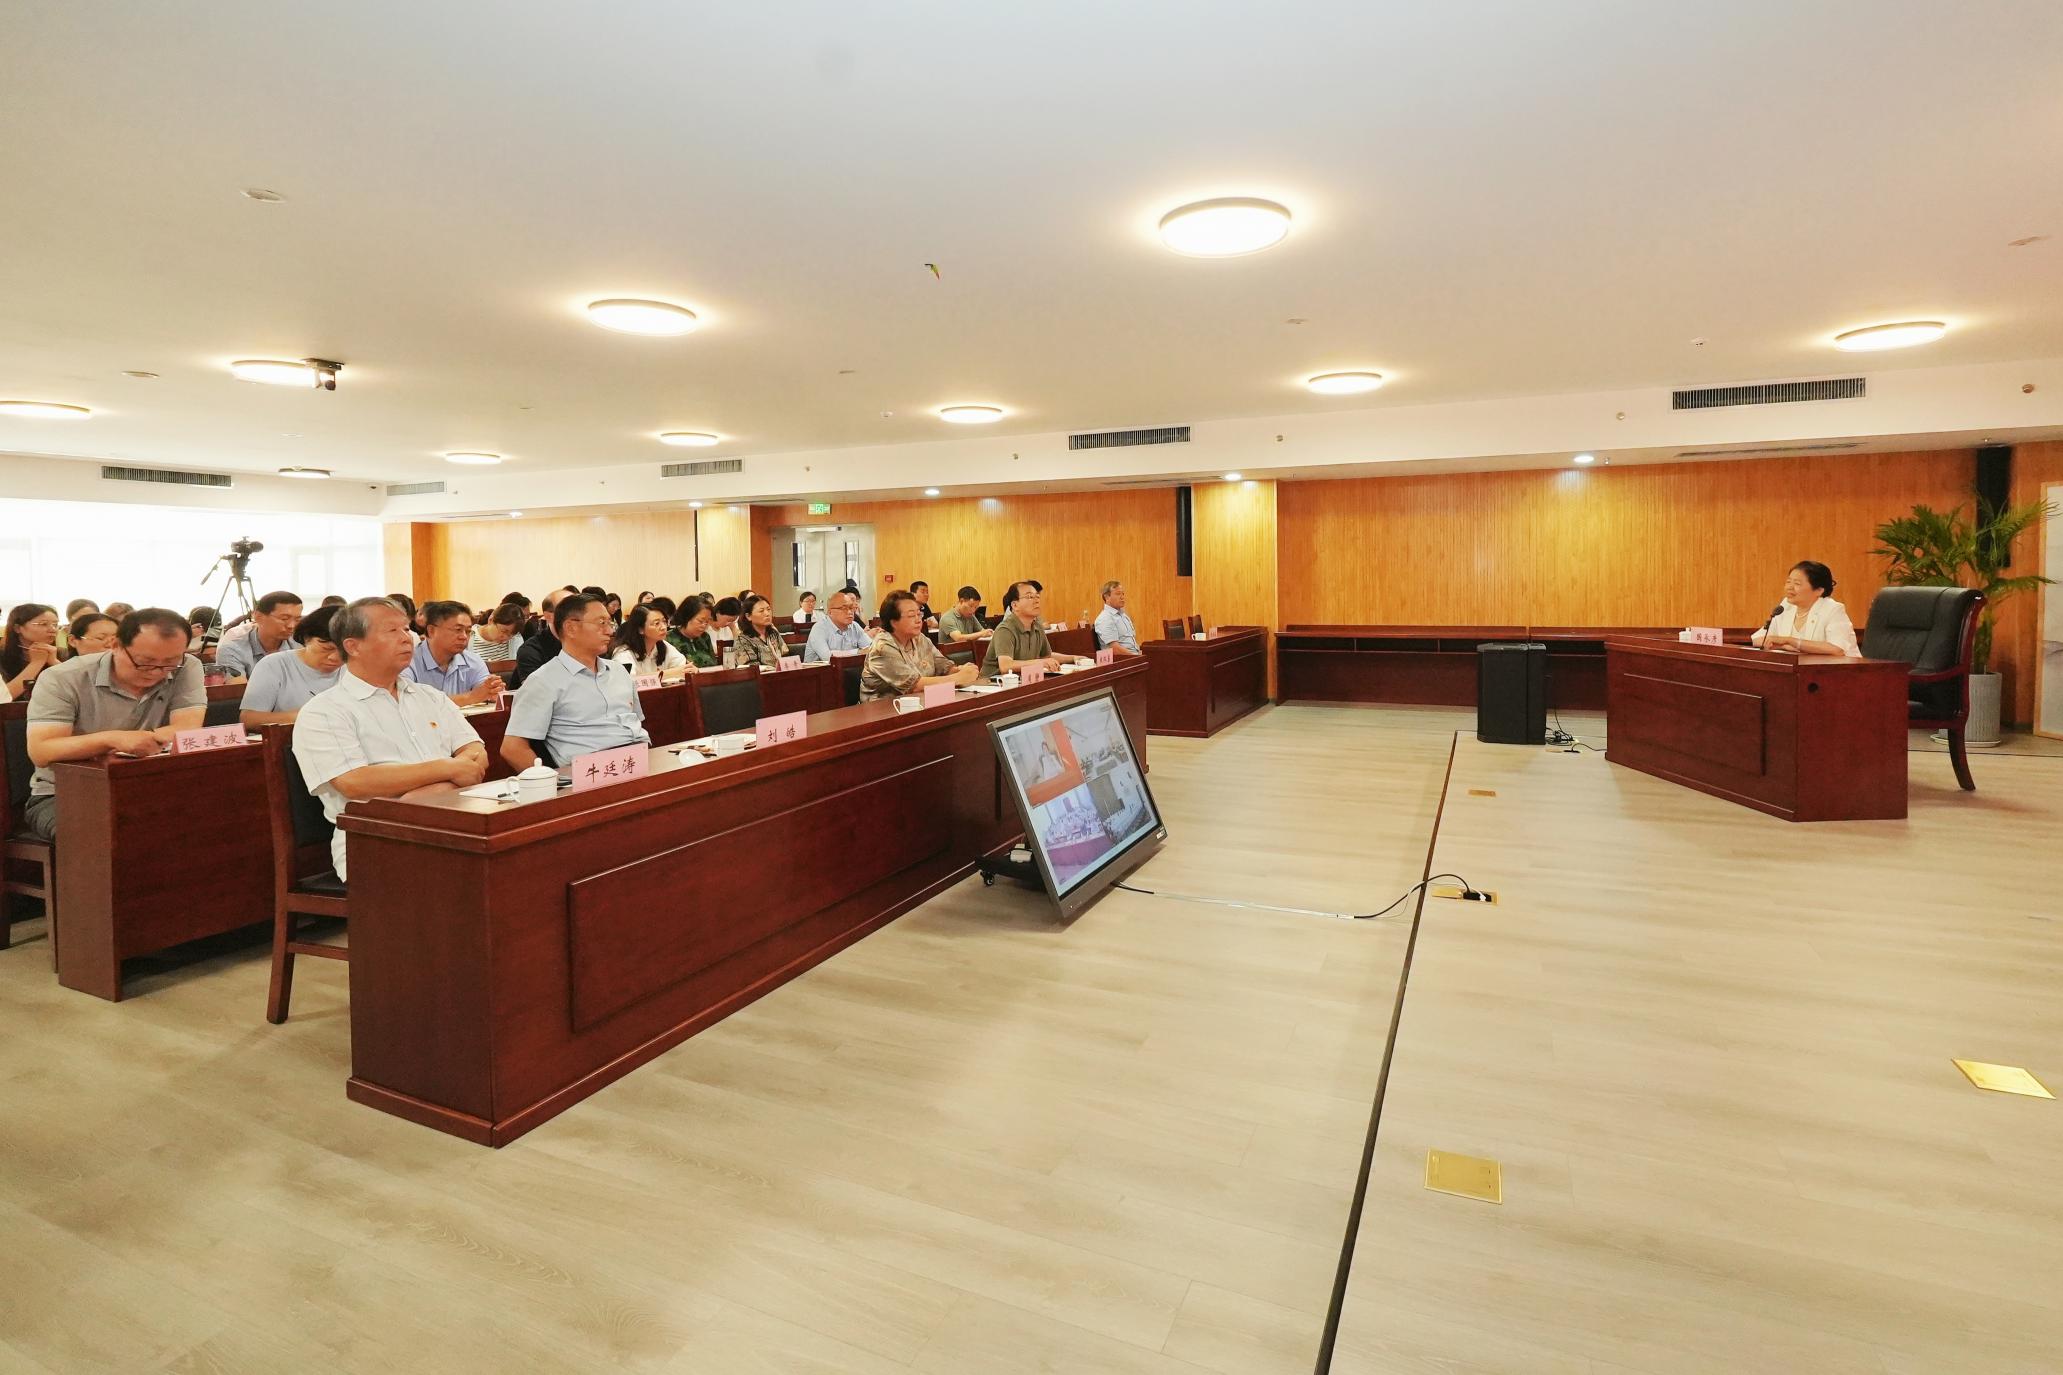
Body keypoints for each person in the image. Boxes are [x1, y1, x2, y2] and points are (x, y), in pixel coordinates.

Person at [291, 598, 489, 880]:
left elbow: (475, 751)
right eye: (392, 630)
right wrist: (447, 770)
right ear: (353, 646)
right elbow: (354, 782)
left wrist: (426, 794)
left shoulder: (430, 697)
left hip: (458, 825)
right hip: (377, 840)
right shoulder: (324, 711)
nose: (407, 638)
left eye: (406, 629)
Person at [21, 608, 206, 841]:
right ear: (115, 645)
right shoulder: (63, 678)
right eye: (144, 662)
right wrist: (112, 739)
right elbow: (42, 750)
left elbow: (187, 728)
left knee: (211, 821)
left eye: (170, 663)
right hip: (64, 794)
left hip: (151, 785)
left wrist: (138, 740)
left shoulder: (186, 667)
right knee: (110, 836)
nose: (156, 672)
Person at [502, 593, 648, 772]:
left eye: (609, 623)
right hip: (591, 774)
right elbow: (512, 749)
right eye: (601, 623)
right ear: (571, 628)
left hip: (639, 762)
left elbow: (637, 722)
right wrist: (553, 783)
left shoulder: (618, 671)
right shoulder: (543, 681)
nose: (610, 631)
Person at [861, 591, 979, 701]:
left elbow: (943, 667)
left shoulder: (919, 638)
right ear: (893, 622)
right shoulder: (882, 647)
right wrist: (958, 678)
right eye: (912, 615)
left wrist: (961, 670)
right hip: (883, 709)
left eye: (919, 614)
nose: (919, 620)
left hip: (921, 702)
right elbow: (914, 686)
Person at [240, 604, 345, 724]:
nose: (335, 657)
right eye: (326, 648)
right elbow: (249, 719)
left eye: (344, 651)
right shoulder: (274, 665)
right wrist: (311, 716)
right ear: (306, 639)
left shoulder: (354, 668)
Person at [1751, 560, 1862, 657]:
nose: (1789, 587)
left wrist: (1790, 641)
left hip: (1841, 671)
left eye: (1797, 583)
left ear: (1819, 590)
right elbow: (1757, 639)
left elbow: (1837, 649)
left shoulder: (1832, 609)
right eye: (1788, 582)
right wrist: (1783, 646)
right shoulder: (1786, 606)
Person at [402, 601, 505, 705]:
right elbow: (409, 703)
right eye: (458, 630)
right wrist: (470, 697)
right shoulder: (406, 662)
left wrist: (493, 691)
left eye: (468, 631)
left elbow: (486, 692)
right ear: (431, 631)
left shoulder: (473, 661)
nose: (464, 637)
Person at [982, 581, 1067, 676]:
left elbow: (1047, 656)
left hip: (1023, 679)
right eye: (1030, 597)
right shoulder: (1005, 629)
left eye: (1037, 596)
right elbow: (1005, 666)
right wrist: (1040, 662)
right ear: (1015, 605)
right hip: (994, 682)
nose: (1036, 601)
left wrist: (1075, 658)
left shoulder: (1037, 626)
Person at [215, 590, 303, 679]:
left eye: (297, 620)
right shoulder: (232, 648)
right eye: (284, 619)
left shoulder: (302, 642)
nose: (291, 626)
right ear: (258, 616)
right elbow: (238, 686)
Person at [509, 587, 574, 689]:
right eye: (569, 611)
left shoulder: (590, 643)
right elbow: (537, 691)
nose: (578, 616)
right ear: (549, 616)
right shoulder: (531, 650)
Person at [2, 604, 61, 700]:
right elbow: (4, 697)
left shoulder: (62, 653)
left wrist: (54, 662)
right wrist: (36, 663)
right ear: (17, 628)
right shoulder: (3, 655)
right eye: (43, 624)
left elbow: (80, 690)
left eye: (55, 624)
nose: (53, 630)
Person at [609, 603, 686, 676]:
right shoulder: (623, 653)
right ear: (640, 629)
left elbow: (682, 666)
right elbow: (630, 681)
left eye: (664, 621)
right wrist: (666, 674)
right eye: (657, 623)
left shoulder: (663, 645)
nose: (663, 627)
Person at [803, 590, 875, 661]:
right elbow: (828, 657)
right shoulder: (819, 628)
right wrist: (858, 652)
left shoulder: (855, 626)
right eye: (844, 608)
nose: (850, 612)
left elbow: (871, 648)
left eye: (851, 608)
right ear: (830, 612)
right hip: (821, 668)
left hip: (848, 667)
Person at [729, 594, 787, 669]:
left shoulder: (773, 633)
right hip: (762, 675)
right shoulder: (742, 640)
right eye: (761, 611)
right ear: (748, 616)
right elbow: (750, 668)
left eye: (768, 609)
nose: (767, 614)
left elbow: (785, 654)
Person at [1092, 580, 1143, 655]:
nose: (1122, 597)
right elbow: (1115, 649)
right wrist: (1138, 658)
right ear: (1107, 597)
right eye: (1118, 594)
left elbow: (1132, 644)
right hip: (1123, 659)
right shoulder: (1105, 618)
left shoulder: (1124, 616)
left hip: (1134, 656)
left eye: (1123, 594)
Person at [667, 600, 722, 667]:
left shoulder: (705, 637)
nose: (704, 626)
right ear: (687, 617)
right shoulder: (668, 639)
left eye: (707, 622)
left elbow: (714, 665)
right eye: (700, 621)